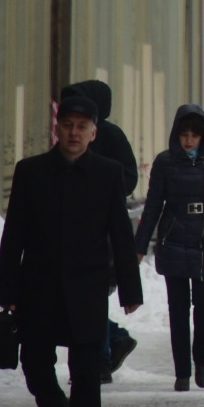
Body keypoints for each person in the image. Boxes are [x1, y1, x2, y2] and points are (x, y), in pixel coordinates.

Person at [0, 94, 142, 407]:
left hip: (87, 289)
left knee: (87, 373)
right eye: (68, 126)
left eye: (82, 127)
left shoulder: (109, 174)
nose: (74, 133)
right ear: (56, 129)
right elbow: (14, 234)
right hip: (38, 287)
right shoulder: (31, 171)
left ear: (94, 133)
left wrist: (130, 288)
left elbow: (120, 234)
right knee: (34, 363)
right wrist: (8, 290)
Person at [135, 104, 204, 392]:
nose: (189, 140)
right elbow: (152, 207)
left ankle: (203, 362)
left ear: (203, 136)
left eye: (194, 135)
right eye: (184, 134)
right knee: (178, 310)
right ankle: (181, 371)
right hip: (173, 243)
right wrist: (140, 245)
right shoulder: (165, 163)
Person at [58, 78, 139, 382]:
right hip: (70, 225)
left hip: (103, 226)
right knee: (71, 296)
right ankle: (113, 338)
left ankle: (100, 361)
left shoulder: (111, 136)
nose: (75, 128)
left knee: (92, 293)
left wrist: (100, 185)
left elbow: (128, 177)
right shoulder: (70, 136)